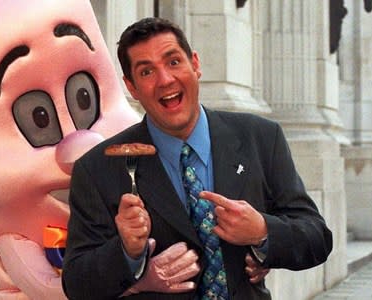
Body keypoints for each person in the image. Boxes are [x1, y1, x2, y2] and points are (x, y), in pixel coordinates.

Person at [62, 17, 332, 299]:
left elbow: (317, 239)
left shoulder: (262, 138)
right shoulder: (98, 169)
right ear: (131, 87)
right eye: (146, 72)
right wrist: (127, 254)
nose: (165, 79)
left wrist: (262, 232)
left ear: (195, 64)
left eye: (173, 62)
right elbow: (77, 285)